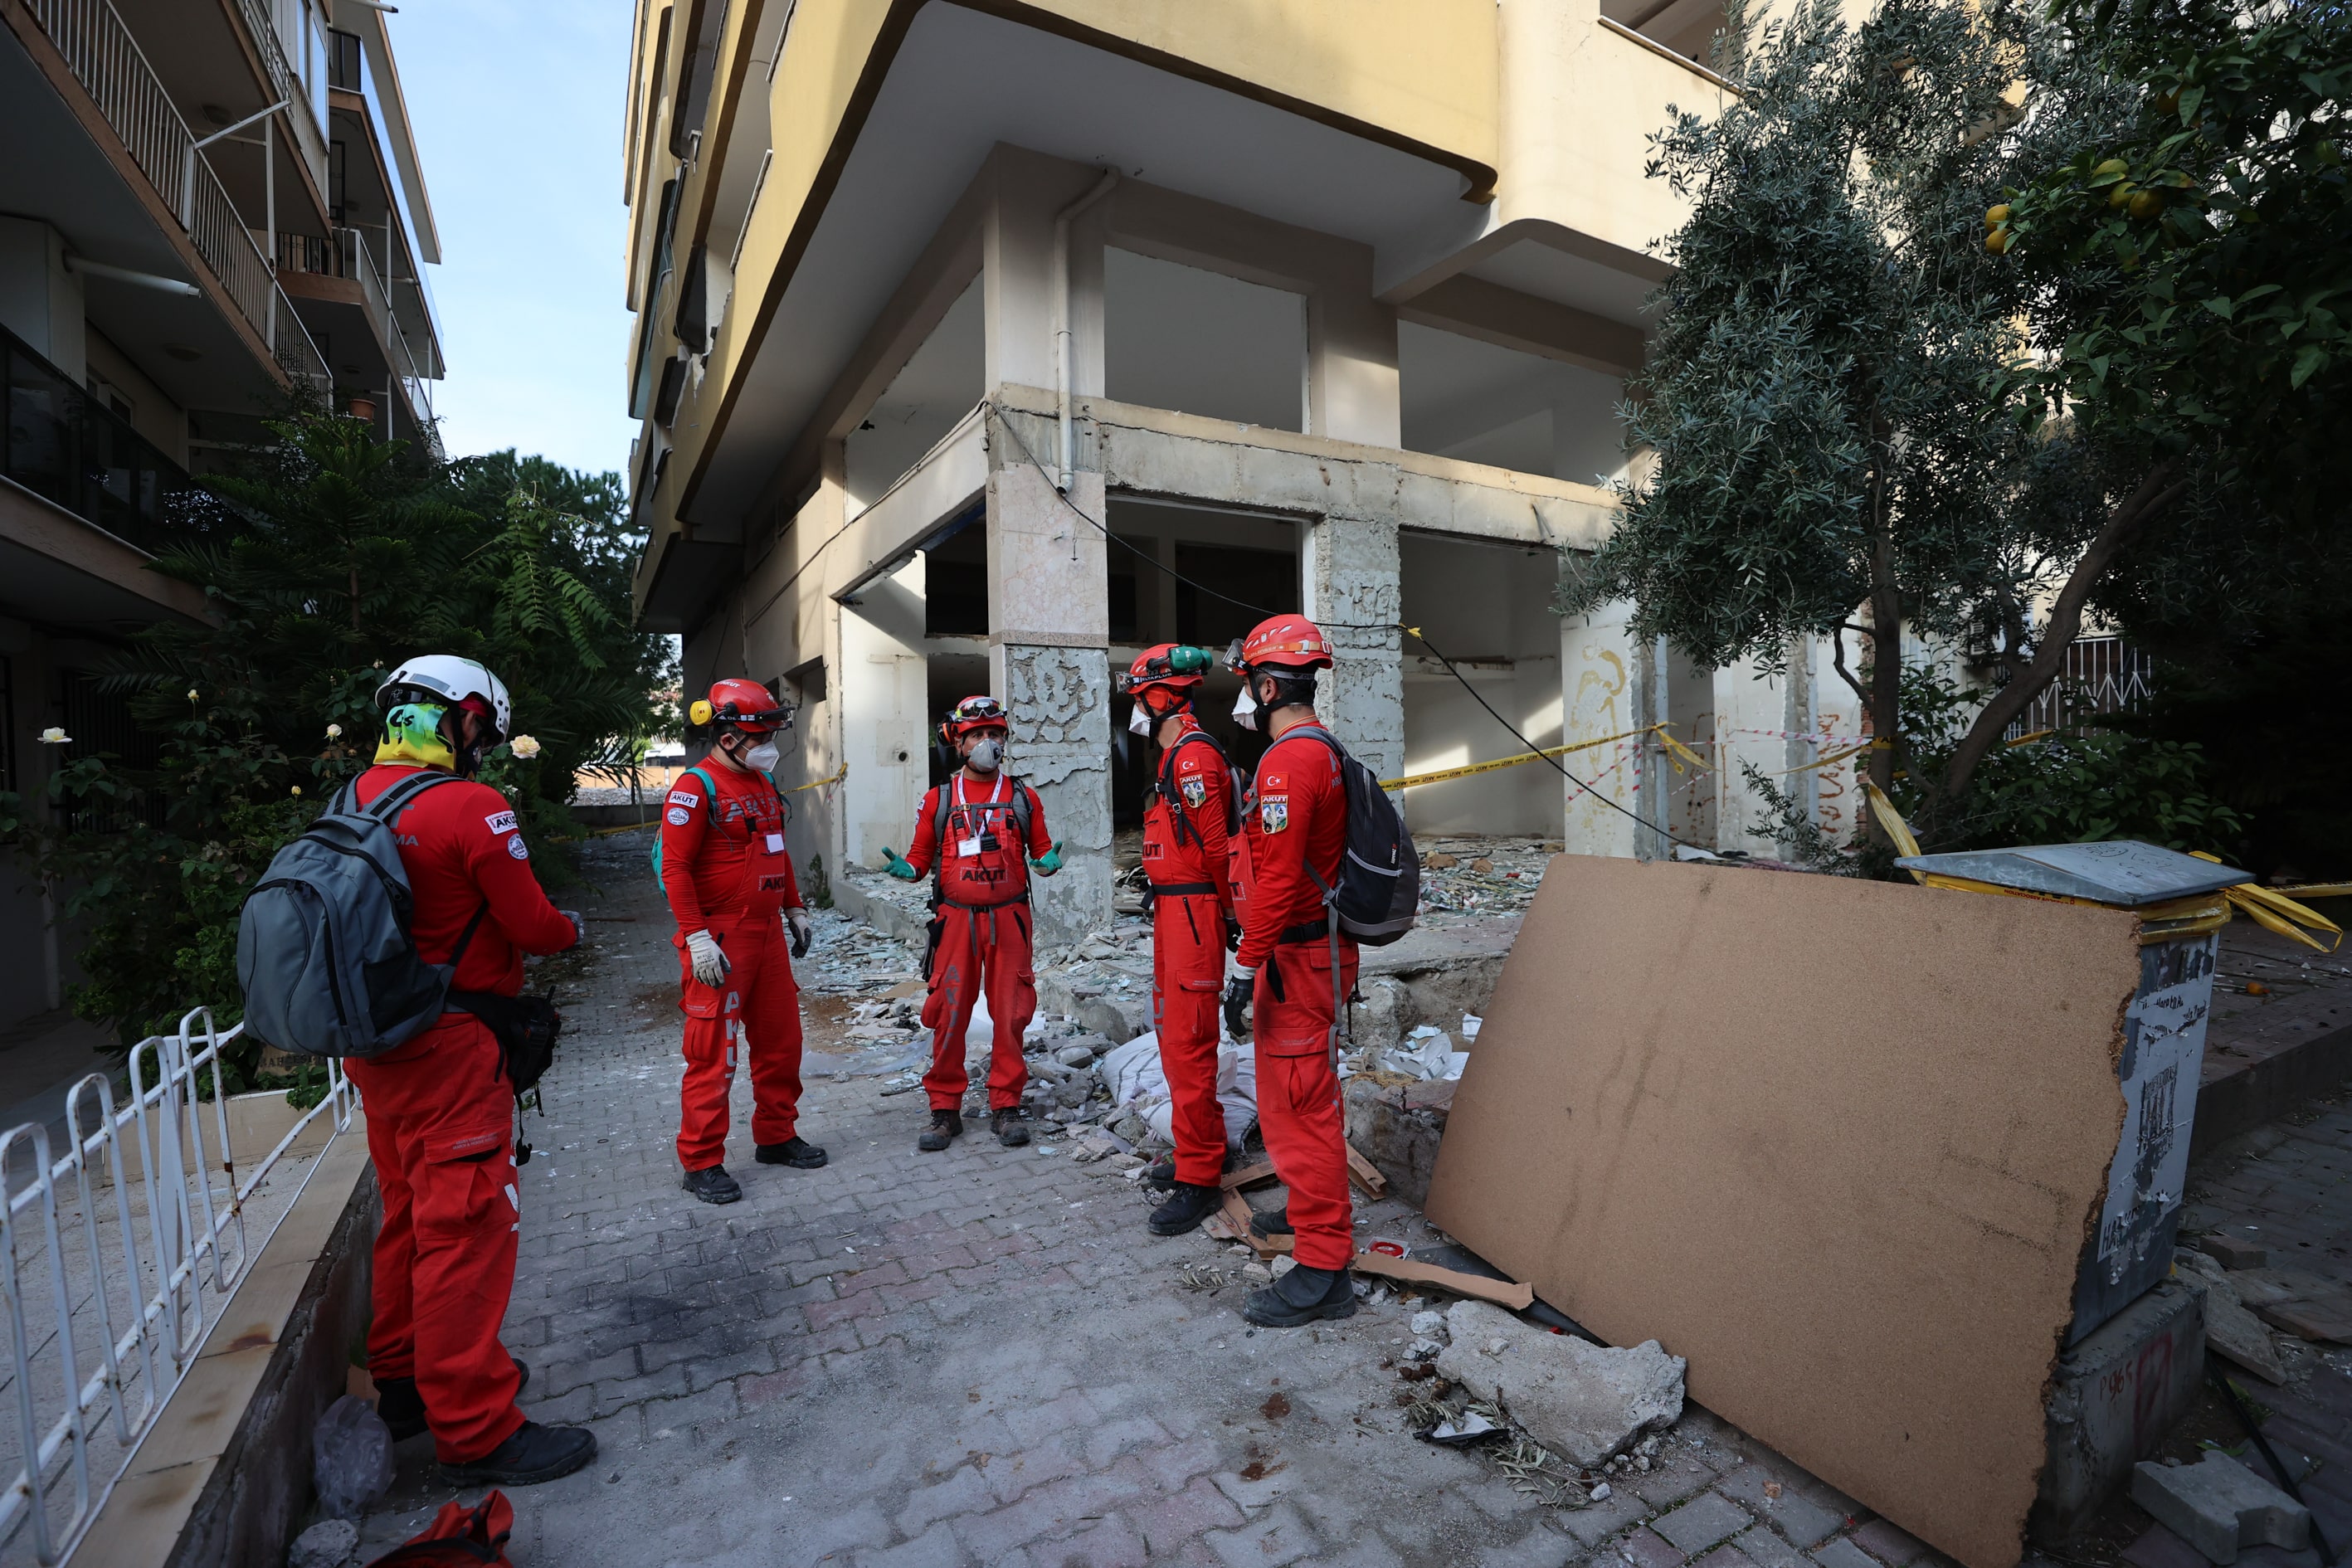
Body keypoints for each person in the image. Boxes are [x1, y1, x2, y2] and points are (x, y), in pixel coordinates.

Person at [349, 655, 598, 1486]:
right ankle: (476, 1429)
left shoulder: (354, 799)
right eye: (482, 731)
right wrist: (570, 928)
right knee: (463, 1230)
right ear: (460, 718)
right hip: (451, 1051)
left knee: (407, 1214)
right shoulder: (471, 806)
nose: (484, 747)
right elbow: (532, 927)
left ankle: (404, 1384)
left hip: (376, 1046)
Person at [1220, 616, 1361, 1327]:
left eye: (1248, 683)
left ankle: (1324, 1272)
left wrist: (1244, 967)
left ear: (1269, 688)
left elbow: (1277, 880)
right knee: (1291, 1102)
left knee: (1302, 1111)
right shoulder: (1318, 750)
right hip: (1302, 953)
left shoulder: (1288, 763)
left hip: (1296, 960)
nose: (1244, 696)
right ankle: (1310, 1217)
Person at [660, 678, 824, 1205]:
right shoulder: (694, 790)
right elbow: (675, 868)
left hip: (767, 936)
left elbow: (778, 849)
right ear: (728, 738)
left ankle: (776, 1136)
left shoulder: (762, 784)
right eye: (762, 736)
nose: (770, 745)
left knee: (781, 1042)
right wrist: (696, 936)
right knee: (714, 1053)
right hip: (721, 939)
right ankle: (701, 1160)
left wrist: (794, 907)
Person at [880, 695, 1062, 1153]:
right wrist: (907, 869)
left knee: (1012, 1013)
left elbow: (1040, 851)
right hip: (956, 921)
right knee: (948, 1012)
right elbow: (920, 858)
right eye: (976, 735)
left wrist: (1046, 863)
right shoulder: (939, 799)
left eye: (994, 734)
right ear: (957, 744)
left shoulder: (1023, 797)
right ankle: (945, 1109)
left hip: (1010, 919)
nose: (986, 742)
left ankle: (1006, 1105)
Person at [1118, 645, 1241, 1236]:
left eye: (1141, 698)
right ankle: (1200, 1150)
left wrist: (1230, 915)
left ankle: (1201, 1178)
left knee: (1190, 1044)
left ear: (1164, 696)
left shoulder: (1192, 759)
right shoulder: (1175, 756)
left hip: (1193, 914)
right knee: (1174, 1038)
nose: (1137, 709)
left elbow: (1217, 849)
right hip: (1175, 910)